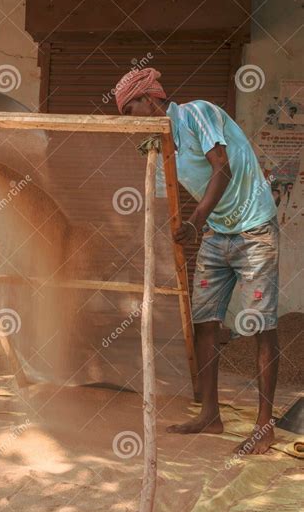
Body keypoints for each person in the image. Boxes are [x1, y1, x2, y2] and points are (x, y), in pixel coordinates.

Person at [115, 67, 279, 455]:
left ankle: (263, 424)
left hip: (254, 228)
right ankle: (210, 413)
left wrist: (193, 222)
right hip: (216, 233)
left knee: (260, 325)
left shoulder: (195, 113)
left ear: (150, 99)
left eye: (130, 109)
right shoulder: (160, 144)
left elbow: (222, 168)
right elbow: (159, 198)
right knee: (205, 323)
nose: (130, 119)